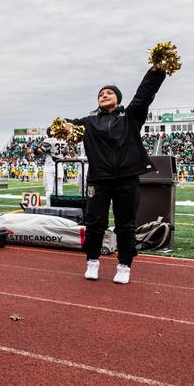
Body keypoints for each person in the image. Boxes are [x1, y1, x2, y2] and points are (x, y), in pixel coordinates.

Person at [63, 64, 169, 284]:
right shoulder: (89, 122)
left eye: (109, 92)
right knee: (94, 222)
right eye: (100, 94)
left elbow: (145, 94)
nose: (104, 95)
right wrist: (62, 126)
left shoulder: (130, 117)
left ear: (118, 99)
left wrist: (157, 70)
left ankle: (124, 265)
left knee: (125, 224)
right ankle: (92, 261)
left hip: (127, 178)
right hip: (98, 180)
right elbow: (59, 126)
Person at [38, 129, 66, 206]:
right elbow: (65, 152)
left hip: (50, 166)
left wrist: (40, 145)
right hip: (59, 165)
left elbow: (39, 151)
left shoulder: (48, 140)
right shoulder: (63, 140)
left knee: (49, 190)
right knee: (59, 189)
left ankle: (49, 207)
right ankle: (60, 206)